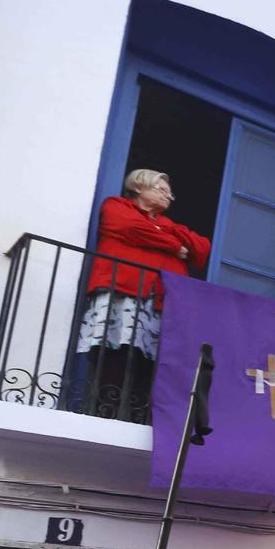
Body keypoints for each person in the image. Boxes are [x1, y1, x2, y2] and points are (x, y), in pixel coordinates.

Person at [78, 169, 211, 420]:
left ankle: (138, 414)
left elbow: (201, 249)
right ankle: (105, 410)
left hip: (159, 300)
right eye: (162, 189)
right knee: (115, 351)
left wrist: (167, 235)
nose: (168, 197)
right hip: (123, 292)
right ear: (139, 186)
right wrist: (175, 246)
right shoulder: (116, 206)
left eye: (171, 193)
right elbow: (127, 225)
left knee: (149, 359)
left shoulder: (171, 225)